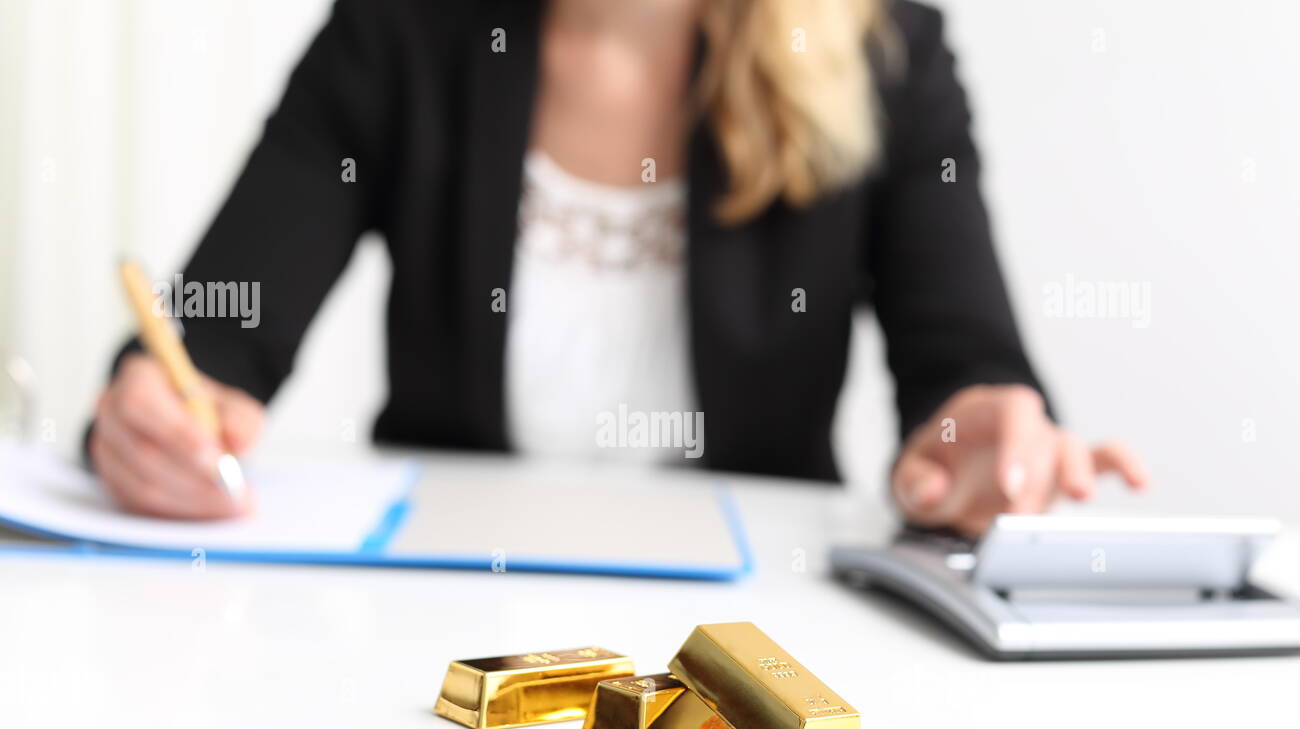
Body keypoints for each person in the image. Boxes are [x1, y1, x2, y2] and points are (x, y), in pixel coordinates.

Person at [88, 0, 1147, 536]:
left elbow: (963, 362)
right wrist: (160, 407)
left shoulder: (887, 47)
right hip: (435, 627)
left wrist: (983, 435)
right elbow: (217, 332)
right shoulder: (399, 27)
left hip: (764, 647)